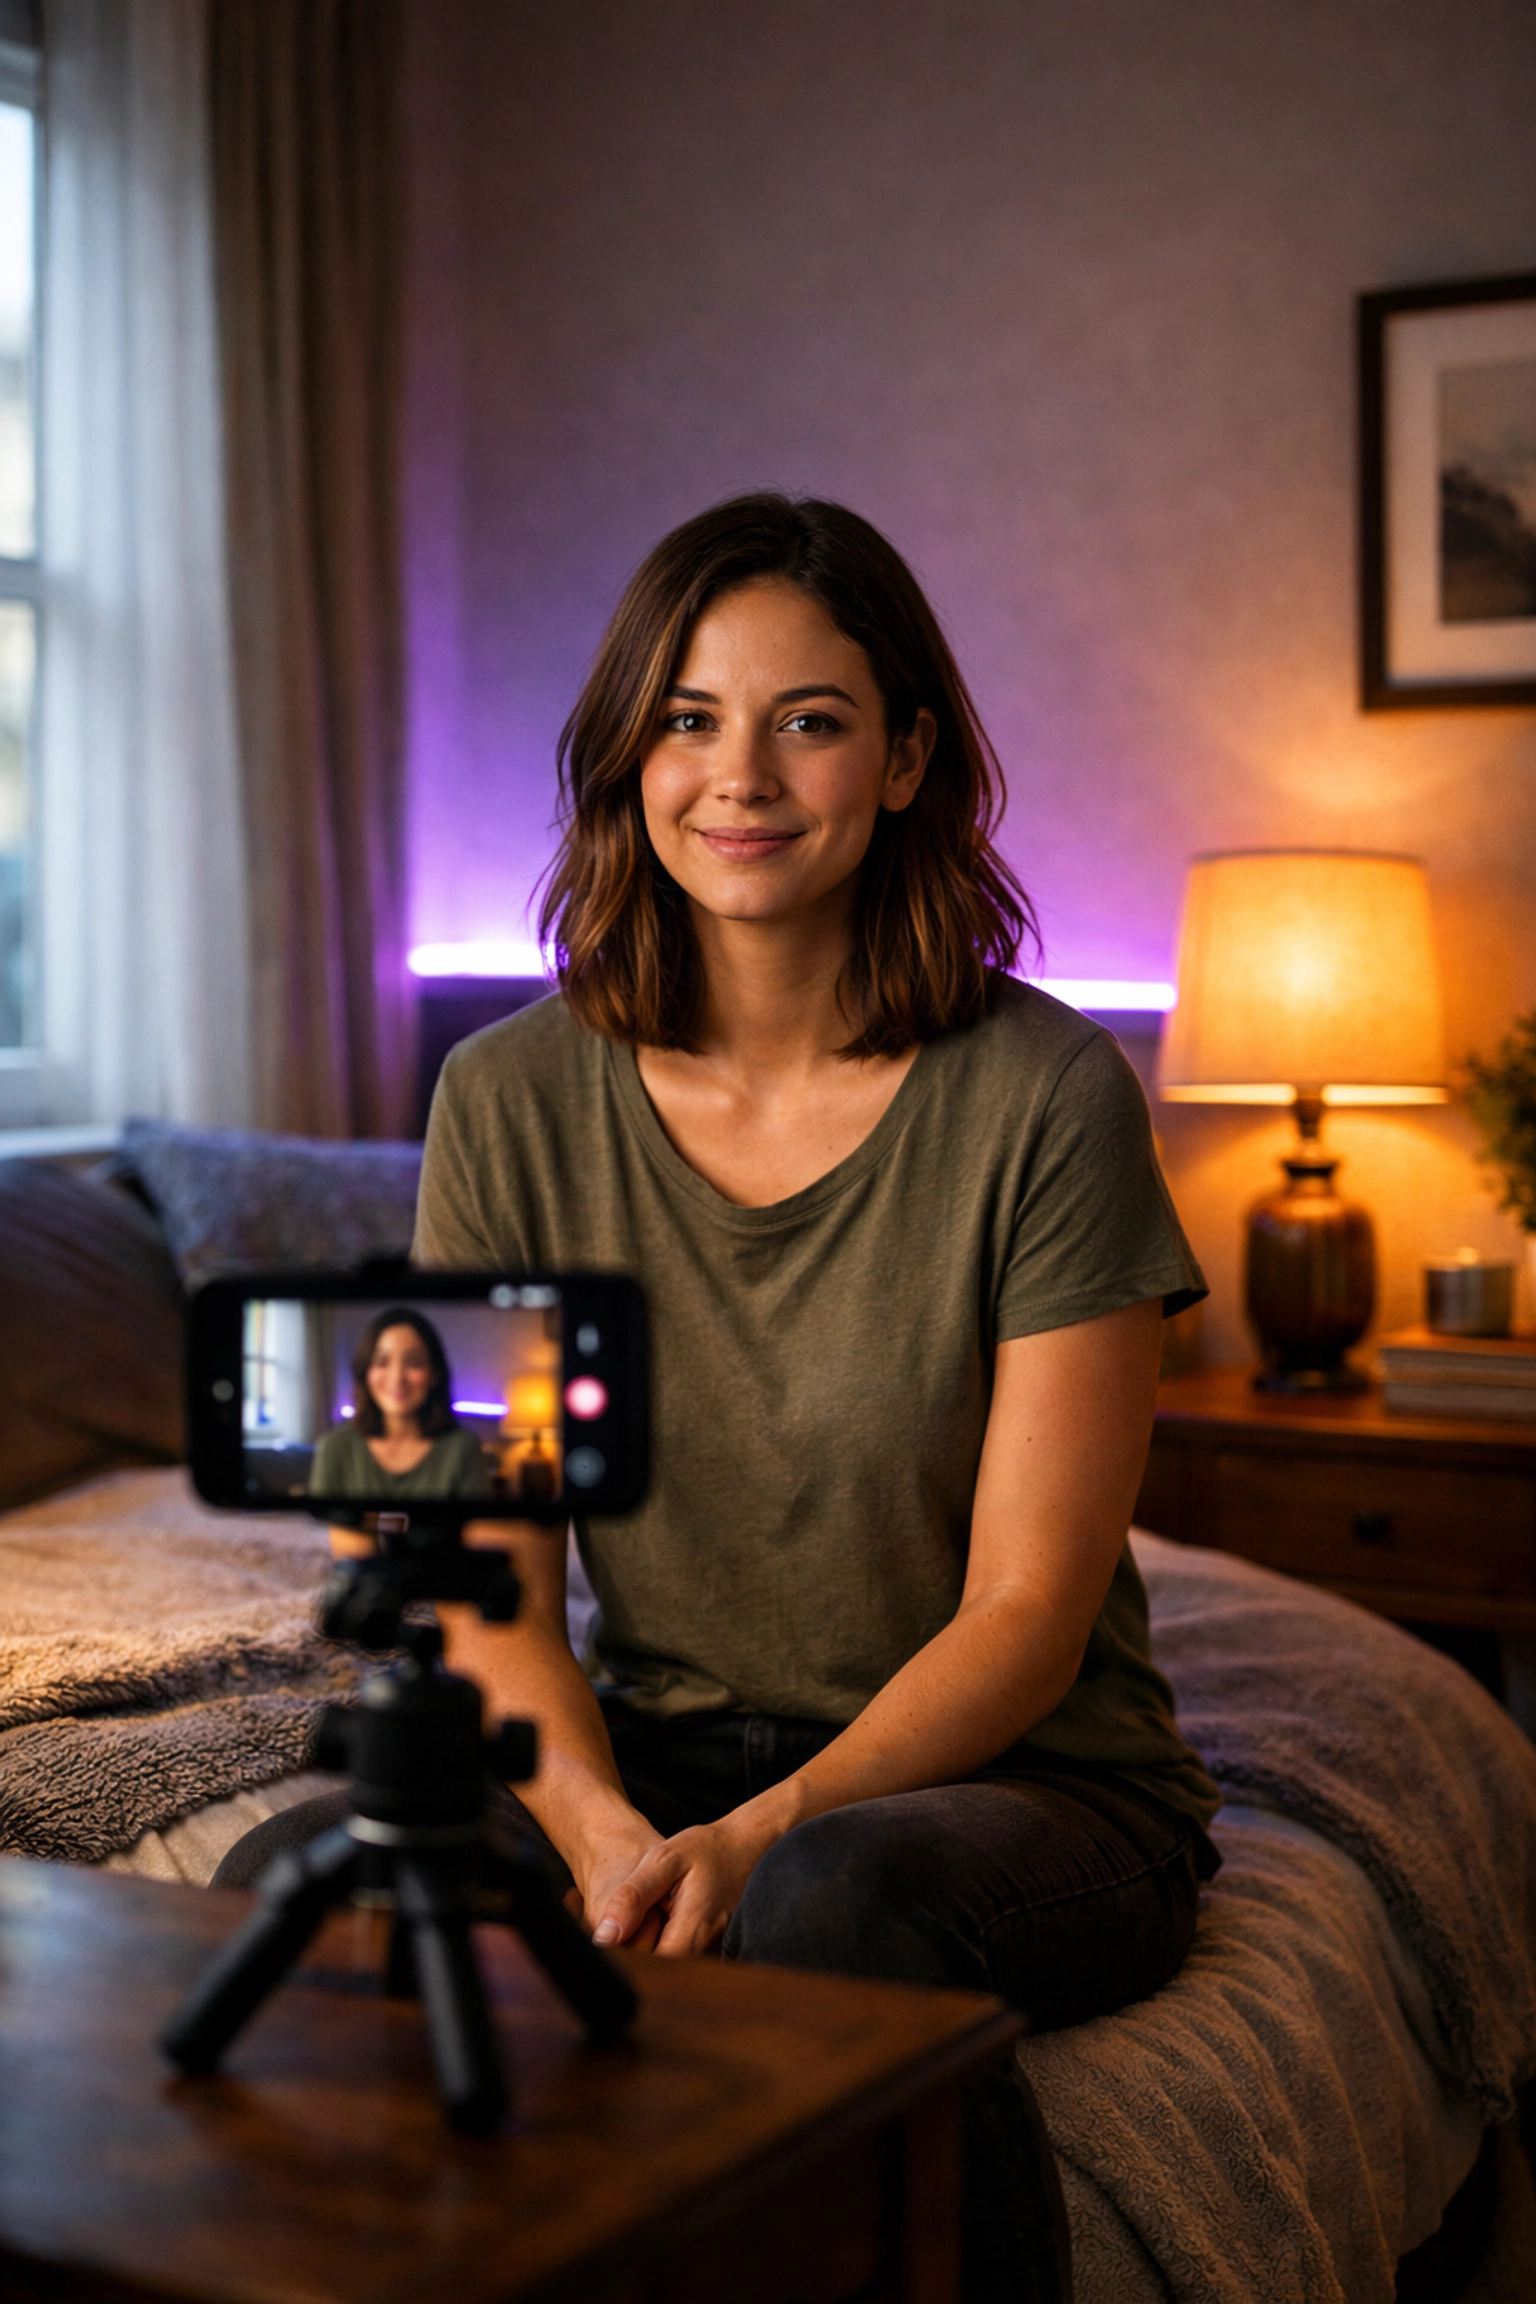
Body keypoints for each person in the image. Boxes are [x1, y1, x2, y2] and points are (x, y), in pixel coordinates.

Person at [223, 493, 1217, 2291]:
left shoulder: (1046, 1098)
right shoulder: (507, 1100)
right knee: (327, 1868)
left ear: (907, 755)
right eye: (687, 715)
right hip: (660, 1745)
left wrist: (762, 1838)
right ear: (628, 755)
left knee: (839, 1901)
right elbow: (490, 1574)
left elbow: (1027, 1609)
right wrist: (605, 1830)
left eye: (809, 717)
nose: (738, 773)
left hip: (1025, 1784)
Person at [309, 1307, 489, 1501]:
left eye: (414, 1363)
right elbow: (325, 1528)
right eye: (381, 1362)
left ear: (434, 1374)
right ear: (365, 1372)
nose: (396, 1379)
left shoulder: (463, 1446)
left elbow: (480, 1527)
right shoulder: (334, 1447)